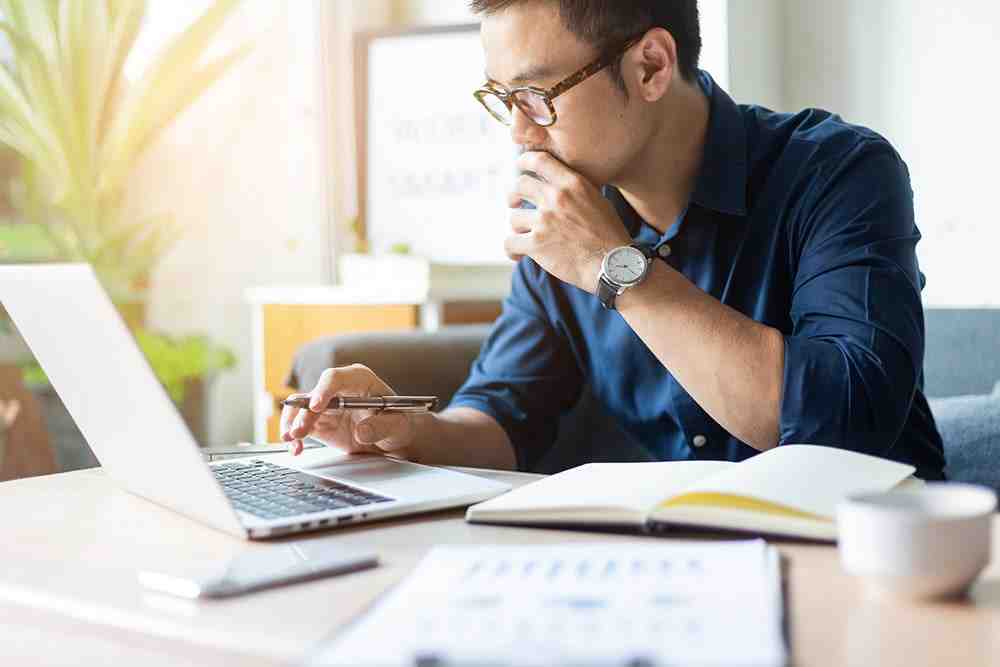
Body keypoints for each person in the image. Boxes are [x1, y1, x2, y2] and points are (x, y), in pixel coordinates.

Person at [282, 0, 945, 480]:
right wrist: (403, 430)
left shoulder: (840, 172)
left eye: (538, 95)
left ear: (651, 66)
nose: (518, 132)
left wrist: (613, 266)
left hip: (873, 564)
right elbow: (503, 417)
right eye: (501, 97)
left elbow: (842, 418)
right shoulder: (568, 215)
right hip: (683, 572)